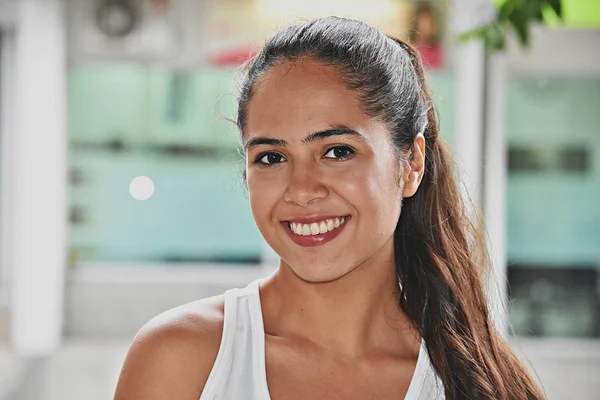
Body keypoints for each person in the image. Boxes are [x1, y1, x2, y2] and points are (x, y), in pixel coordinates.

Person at [114, 17, 545, 400]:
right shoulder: (182, 359)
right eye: (272, 157)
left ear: (411, 163)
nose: (301, 190)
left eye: (338, 151)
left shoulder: (481, 380)